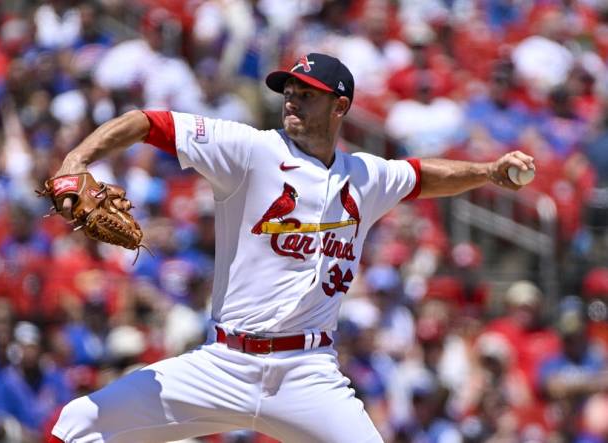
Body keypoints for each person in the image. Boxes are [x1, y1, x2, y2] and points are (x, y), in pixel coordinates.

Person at [47, 53, 535, 443]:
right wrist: (76, 159)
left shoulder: (365, 175)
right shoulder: (251, 150)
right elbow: (146, 121)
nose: (292, 101)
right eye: (290, 91)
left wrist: (488, 172)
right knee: (77, 424)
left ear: (340, 107)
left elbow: (422, 175)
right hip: (224, 363)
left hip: (308, 373)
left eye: (308, 94)